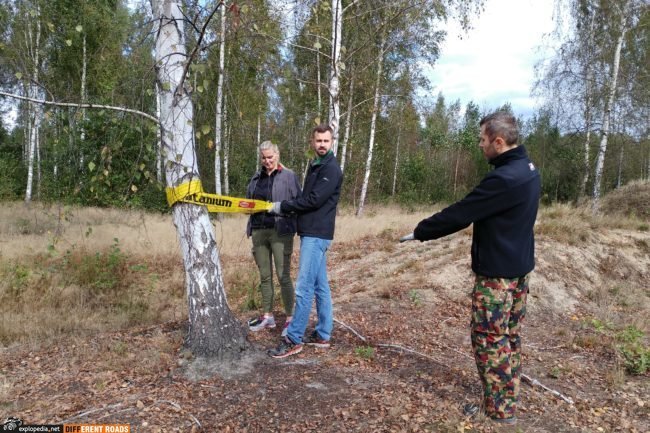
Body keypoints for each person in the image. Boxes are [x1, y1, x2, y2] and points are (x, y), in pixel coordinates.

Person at [403, 112, 541, 425]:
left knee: (489, 340)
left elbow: (462, 212)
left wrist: (421, 231)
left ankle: (500, 411)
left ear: (499, 142)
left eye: (482, 139)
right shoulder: (528, 169)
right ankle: (507, 395)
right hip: (519, 272)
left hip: (498, 278)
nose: (480, 145)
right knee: (509, 337)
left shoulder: (503, 179)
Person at [266, 124, 343, 359]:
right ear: (313, 141)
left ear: (332, 142)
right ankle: (322, 334)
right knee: (320, 287)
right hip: (311, 232)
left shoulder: (331, 169)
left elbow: (313, 200)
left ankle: (294, 338)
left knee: (303, 287)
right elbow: (304, 197)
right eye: (318, 140)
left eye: (326, 141)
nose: (321, 144)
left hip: (317, 235)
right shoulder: (316, 166)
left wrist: (282, 207)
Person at [245, 141, 302, 337]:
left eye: (271, 157)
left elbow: (299, 203)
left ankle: (290, 319)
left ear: (277, 155)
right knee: (265, 276)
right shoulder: (255, 178)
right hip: (259, 231)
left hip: (281, 231)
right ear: (260, 158)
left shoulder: (289, 176)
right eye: (264, 157)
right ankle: (267, 316)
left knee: (283, 275)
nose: (267, 161)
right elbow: (247, 203)